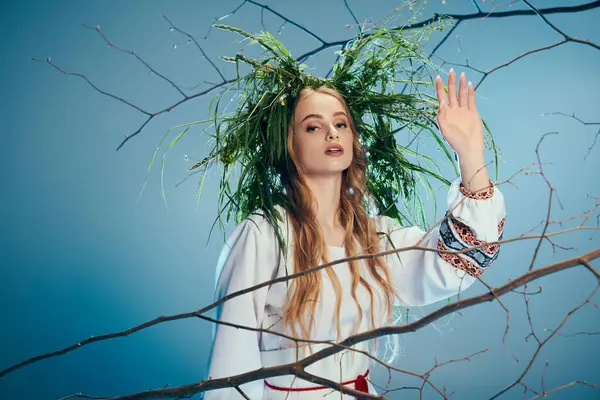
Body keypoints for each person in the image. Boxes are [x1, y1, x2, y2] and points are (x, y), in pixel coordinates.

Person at [198, 26, 506, 400]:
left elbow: (460, 260)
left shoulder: (373, 238)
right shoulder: (264, 236)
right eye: (313, 126)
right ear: (288, 146)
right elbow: (230, 372)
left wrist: (470, 153)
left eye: (341, 123)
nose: (332, 132)